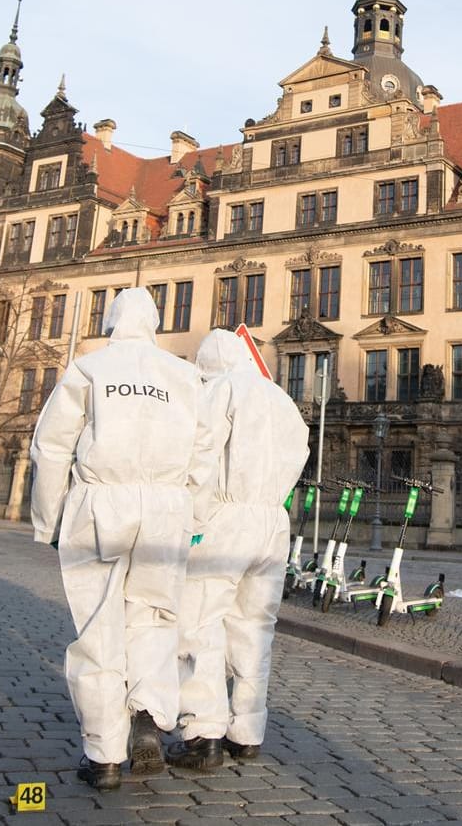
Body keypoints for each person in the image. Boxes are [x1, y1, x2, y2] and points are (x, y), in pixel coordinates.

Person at [31, 288, 216, 792]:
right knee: (154, 619)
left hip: (102, 504)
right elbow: (205, 452)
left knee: (99, 627)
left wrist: (48, 521)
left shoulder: (91, 369)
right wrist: (193, 516)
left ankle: (104, 754)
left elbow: (51, 448)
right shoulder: (183, 375)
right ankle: (149, 719)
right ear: (155, 324)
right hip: (165, 509)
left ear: (112, 321)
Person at [166, 329, 312, 769]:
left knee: (201, 622)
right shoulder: (280, 398)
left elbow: (202, 457)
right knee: (255, 628)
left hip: (225, 518)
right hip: (271, 521)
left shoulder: (221, 390)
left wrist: (191, 518)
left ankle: (203, 732)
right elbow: (300, 450)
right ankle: (247, 731)